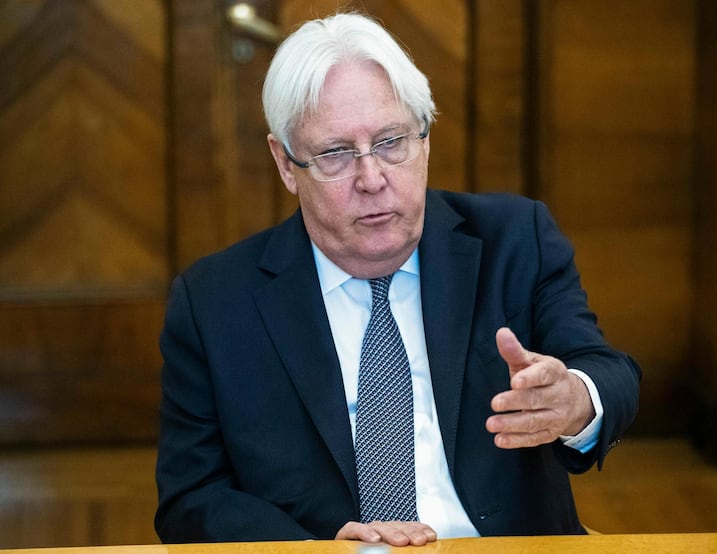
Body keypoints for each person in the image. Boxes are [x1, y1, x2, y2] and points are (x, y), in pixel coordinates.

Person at [154, 11, 641, 547]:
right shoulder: (215, 301)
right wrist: (315, 543)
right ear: (286, 164)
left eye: (391, 141)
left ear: (425, 139)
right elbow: (190, 498)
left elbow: (609, 373)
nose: (372, 178)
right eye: (336, 153)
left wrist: (576, 399)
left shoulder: (514, 240)